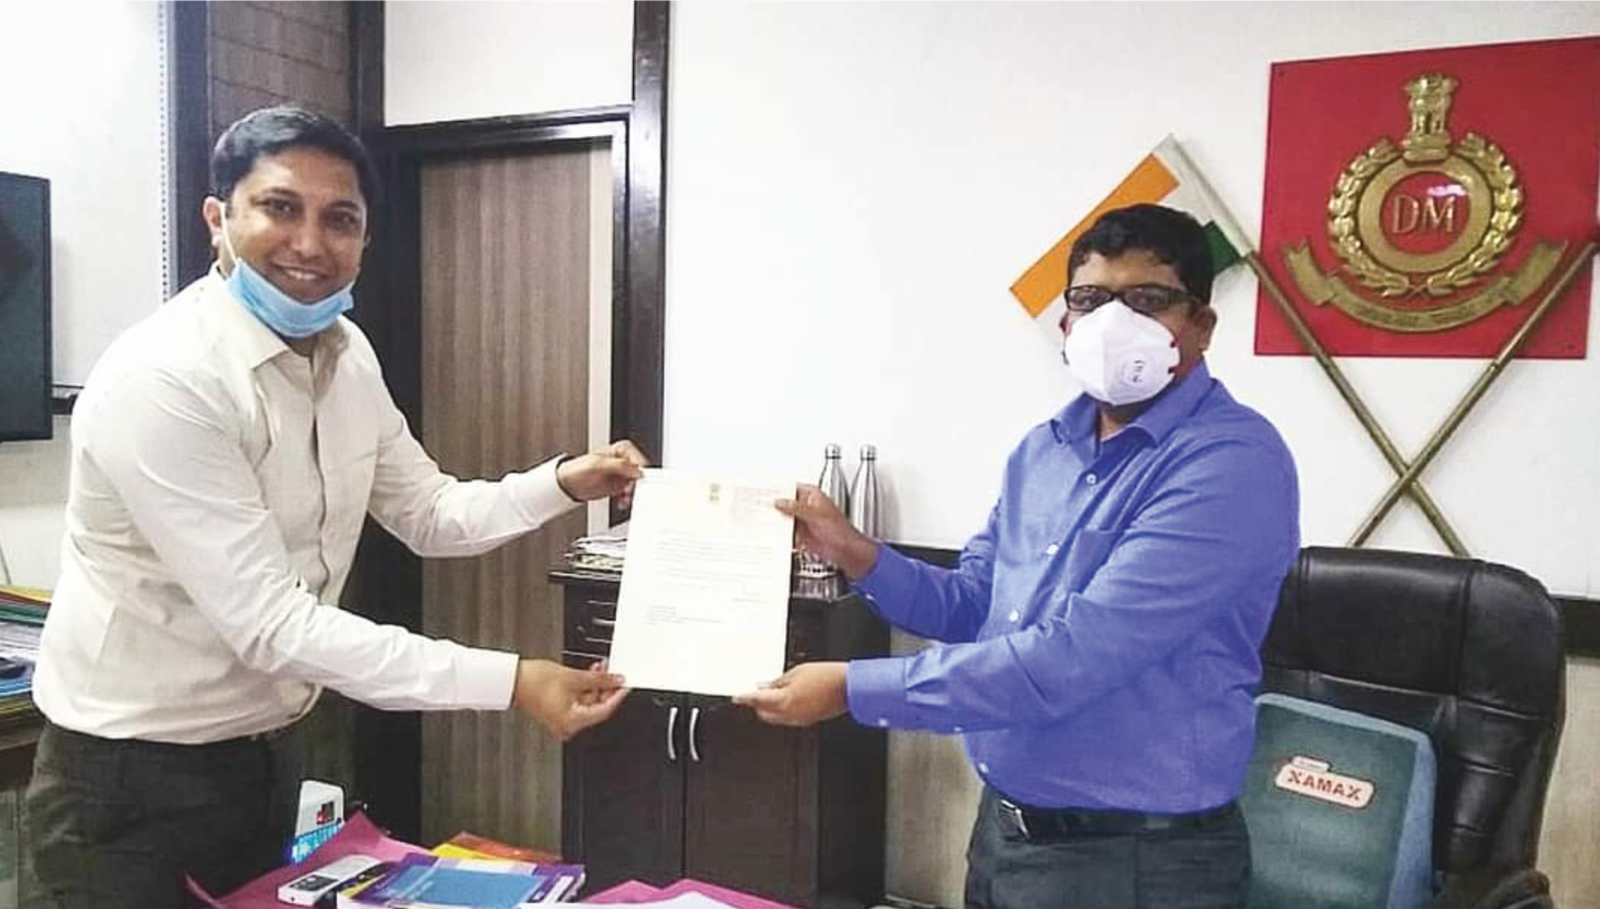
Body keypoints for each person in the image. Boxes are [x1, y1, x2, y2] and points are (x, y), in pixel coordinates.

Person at [24, 105, 643, 908]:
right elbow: (273, 625)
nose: (310, 244)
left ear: (364, 238)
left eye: (339, 219)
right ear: (217, 218)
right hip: (127, 783)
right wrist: (515, 681)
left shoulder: (349, 357)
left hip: (269, 755)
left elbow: (431, 512)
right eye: (280, 208)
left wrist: (562, 481)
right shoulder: (165, 378)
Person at [735, 204, 1300, 909]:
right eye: (1090, 299)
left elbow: (1071, 657)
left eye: (1147, 299)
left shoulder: (1230, 464)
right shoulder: (1044, 450)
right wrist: (854, 551)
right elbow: (976, 604)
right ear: (1066, 323)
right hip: (1006, 834)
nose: (1112, 322)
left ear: (1202, 325)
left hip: (1135, 861)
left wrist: (852, 688)